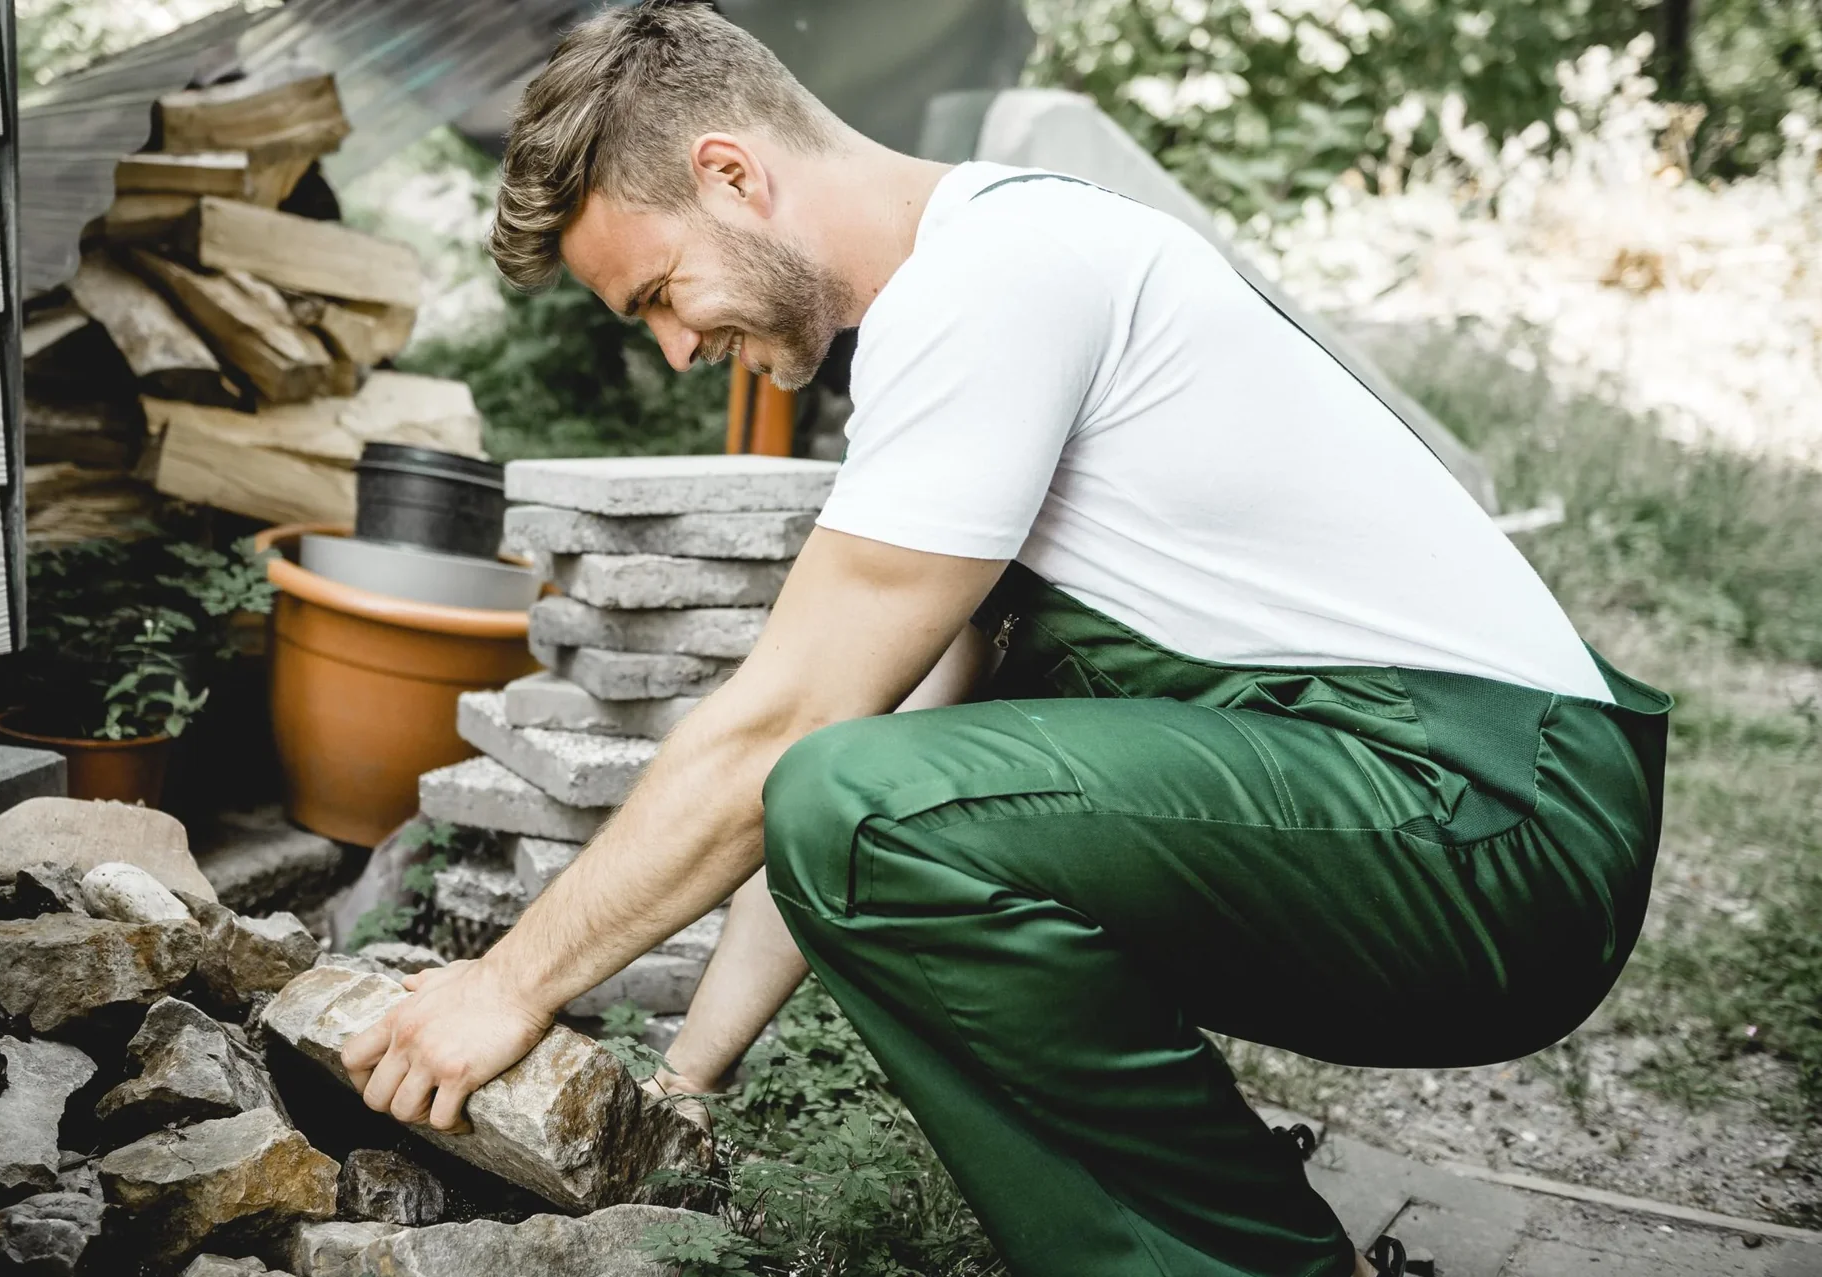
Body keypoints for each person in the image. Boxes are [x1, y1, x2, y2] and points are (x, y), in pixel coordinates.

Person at [339, 4, 1671, 1273]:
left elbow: (795, 737)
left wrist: (509, 985)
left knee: (853, 810)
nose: (682, 349)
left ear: (734, 175)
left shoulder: (991, 282)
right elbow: (880, 747)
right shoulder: (974, 307)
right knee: (868, 818)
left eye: (661, 294)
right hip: (1435, 807)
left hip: (1490, 815)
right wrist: (685, 1079)